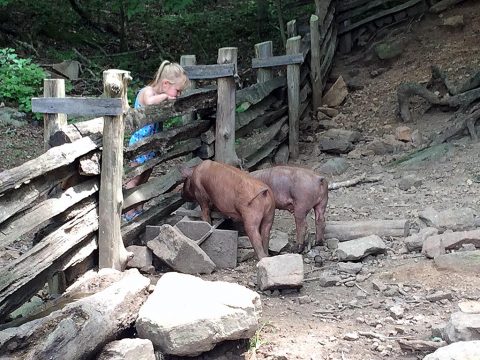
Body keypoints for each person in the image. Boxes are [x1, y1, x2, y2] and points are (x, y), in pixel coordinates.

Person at [123, 60, 190, 221]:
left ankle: (138, 207)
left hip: (151, 145)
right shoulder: (148, 92)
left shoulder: (161, 94)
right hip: (139, 145)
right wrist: (166, 96)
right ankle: (127, 210)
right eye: (177, 90)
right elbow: (149, 102)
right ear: (166, 83)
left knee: (145, 177)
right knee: (134, 178)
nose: (178, 95)